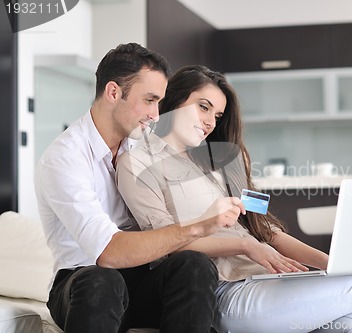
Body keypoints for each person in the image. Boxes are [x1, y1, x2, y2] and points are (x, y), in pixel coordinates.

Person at [115, 65, 352, 333]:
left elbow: (268, 232)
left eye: (218, 113)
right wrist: (245, 244)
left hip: (270, 284)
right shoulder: (138, 164)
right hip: (230, 293)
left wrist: (334, 266)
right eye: (203, 106)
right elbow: (164, 243)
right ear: (174, 99)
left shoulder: (224, 163)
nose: (211, 121)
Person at [34, 44, 245, 333]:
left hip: (140, 280)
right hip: (82, 285)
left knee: (193, 265)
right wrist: (198, 227)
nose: (156, 115)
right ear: (113, 92)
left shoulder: (142, 145)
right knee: (102, 280)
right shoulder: (64, 158)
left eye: (159, 102)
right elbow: (108, 253)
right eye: (149, 100)